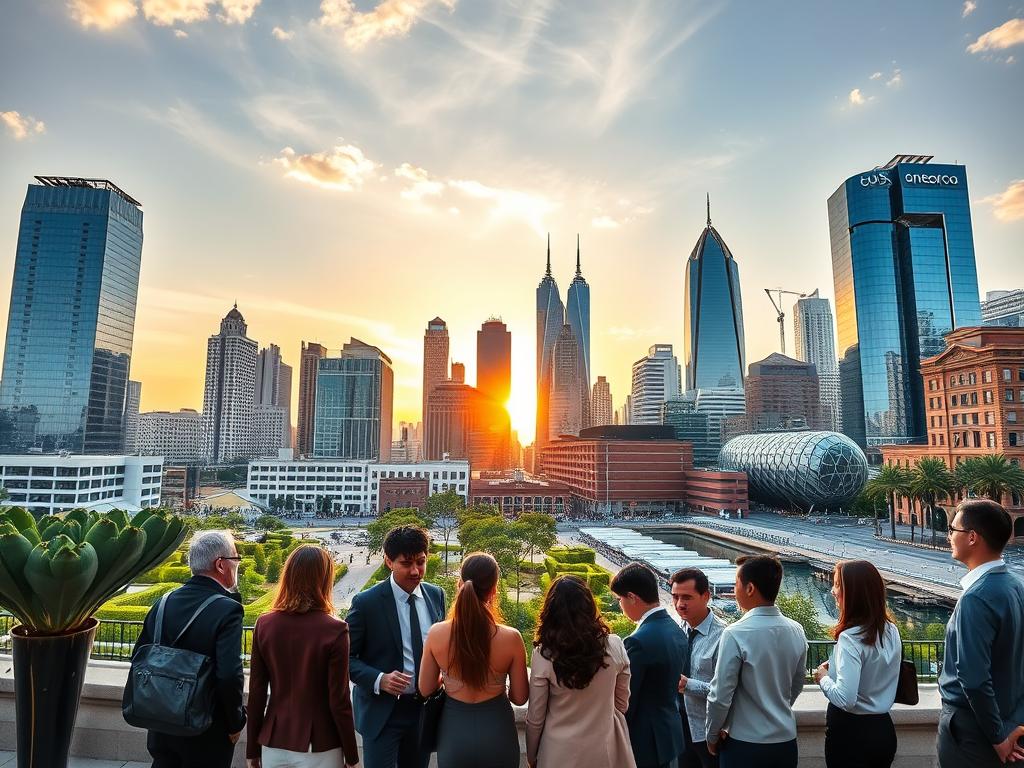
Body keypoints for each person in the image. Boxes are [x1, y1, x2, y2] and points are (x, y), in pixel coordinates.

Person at [132, 530, 246, 768]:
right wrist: (235, 722)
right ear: (221, 565)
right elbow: (228, 675)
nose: (238, 565)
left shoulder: (162, 602)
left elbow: (139, 657)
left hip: (160, 722)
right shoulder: (228, 609)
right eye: (236, 559)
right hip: (205, 727)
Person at [246, 544, 360, 768]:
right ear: (325, 578)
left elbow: (257, 694)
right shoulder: (336, 629)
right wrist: (352, 757)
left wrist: (252, 750)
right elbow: (339, 701)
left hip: (273, 743)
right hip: (320, 745)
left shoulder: (265, 624)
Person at [347, 526, 446, 768]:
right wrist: (379, 679)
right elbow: (345, 658)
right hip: (382, 714)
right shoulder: (366, 603)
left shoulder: (437, 595)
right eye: (407, 563)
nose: (415, 571)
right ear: (389, 562)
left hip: (423, 712)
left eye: (421, 562)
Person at [419, 552, 528, 768]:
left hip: (453, 732)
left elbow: (425, 688)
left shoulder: (437, 634)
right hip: (498, 731)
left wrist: (448, 678)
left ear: (459, 584)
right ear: (494, 590)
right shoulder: (511, 637)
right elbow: (520, 697)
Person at [937, 499, 1024, 767]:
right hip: (1010, 723)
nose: (949, 535)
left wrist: (997, 737)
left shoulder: (977, 597)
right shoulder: (1015, 587)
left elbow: (973, 679)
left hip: (974, 732)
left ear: (972, 537)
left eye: (953, 529)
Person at [706, 554, 807, 768]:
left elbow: (720, 695)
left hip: (745, 744)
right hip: (785, 741)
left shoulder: (735, 633)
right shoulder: (797, 630)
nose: (734, 591)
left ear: (750, 588)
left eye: (736, 584)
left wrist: (712, 735)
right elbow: (797, 684)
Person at [525, 575, 634, 768]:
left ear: (551, 611)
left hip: (558, 752)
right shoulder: (614, 645)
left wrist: (532, 755)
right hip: (604, 749)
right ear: (589, 606)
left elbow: (536, 716)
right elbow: (621, 704)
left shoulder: (544, 654)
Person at [811, 560, 901, 768]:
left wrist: (823, 677)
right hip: (882, 730)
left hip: (851, 735)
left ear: (852, 592)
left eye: (837, 584)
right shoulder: (891, 631)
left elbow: (845, 698)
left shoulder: (850, 638)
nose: (833, 591)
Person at [611, 562, 688, 768]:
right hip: (670, 733)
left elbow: (627, 699)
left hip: (645, 740)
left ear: (632, 597)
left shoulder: (637, 641)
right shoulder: (676, 629)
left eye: (620, 599)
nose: (621, 605)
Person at [670, 568, 726, 768]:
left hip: (709, 732)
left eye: (686, 597)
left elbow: (727, 691)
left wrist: (688, 685)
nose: (679, 604)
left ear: (706, 596)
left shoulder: (723, 636)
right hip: (681, 728)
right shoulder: (677, 631)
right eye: (675, 597)